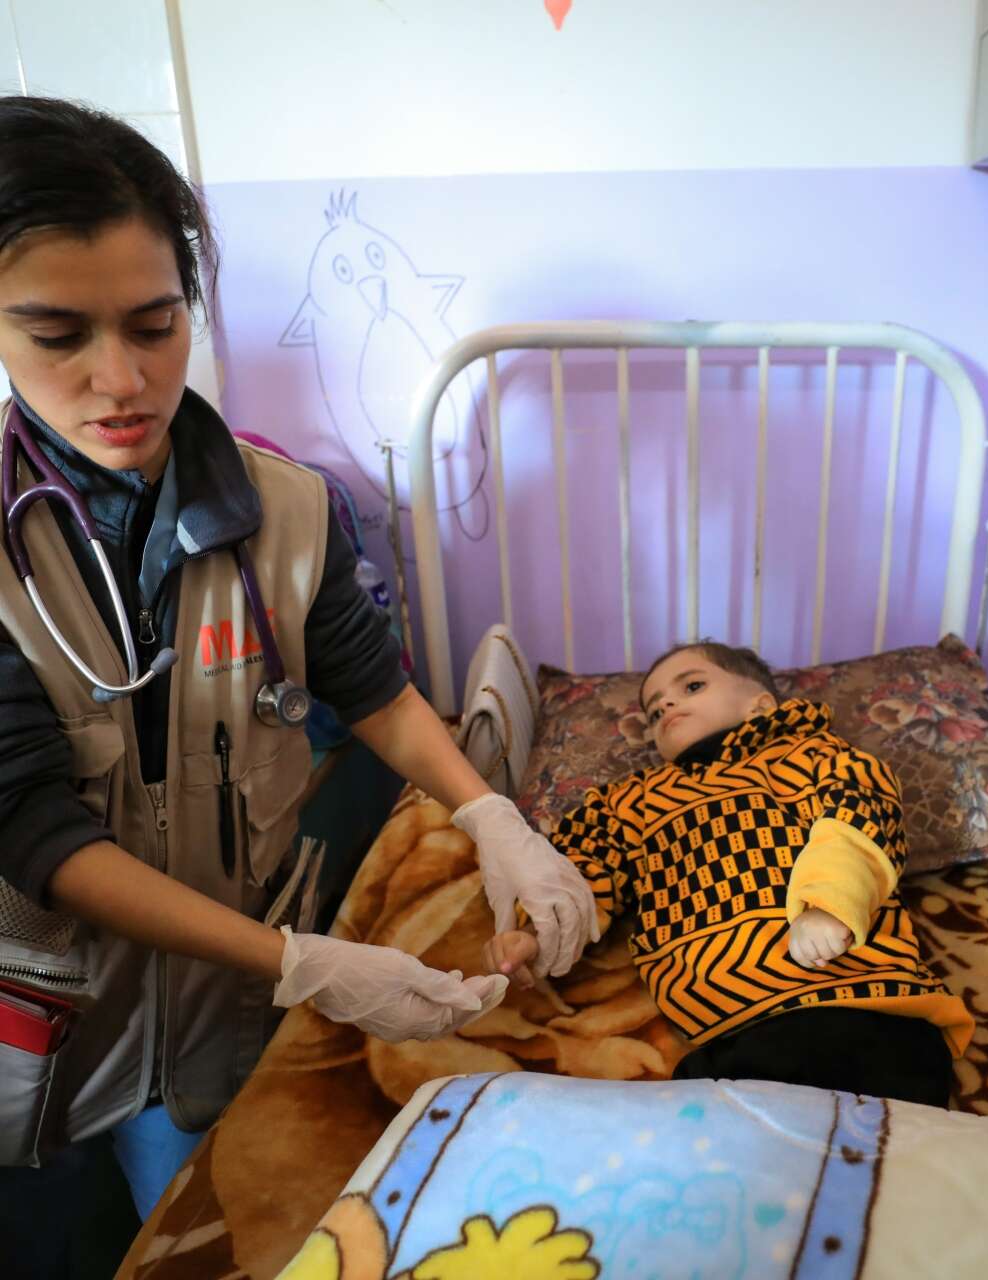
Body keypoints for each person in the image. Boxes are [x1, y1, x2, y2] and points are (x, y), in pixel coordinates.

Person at [0, 95, 592, 1270]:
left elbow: (376, 693)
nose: (121, 379)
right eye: (57, 334)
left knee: (203, 1240)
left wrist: (489, 814)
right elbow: (33, 826)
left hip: (216, 1024)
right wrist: (306, 962)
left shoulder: (289, 512)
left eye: (156, 323)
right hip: (43, 1030)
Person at [485, 640, 975, 1105]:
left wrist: (829, 904)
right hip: (729, 1028)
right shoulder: (629, 803)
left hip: (861, 1001)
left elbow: (860, 818)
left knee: (889, 1159)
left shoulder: (812, 755)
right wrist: (535, 932)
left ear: (759, 705)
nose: (668, 707)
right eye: (654, 711)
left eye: (692, 687)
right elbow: (582, 869)